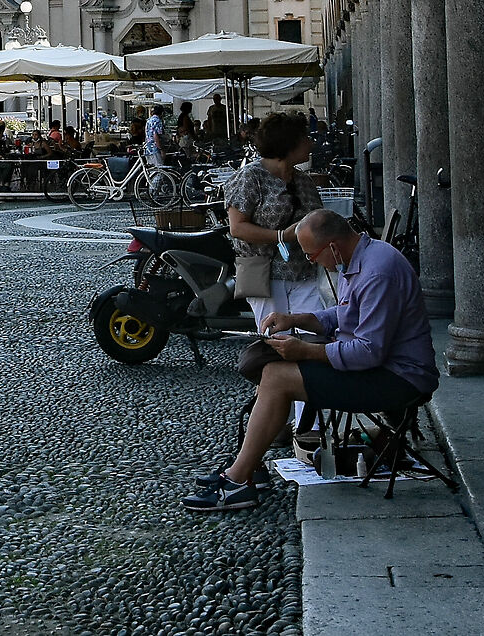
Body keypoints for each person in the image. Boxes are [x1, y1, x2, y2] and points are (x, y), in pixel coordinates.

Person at [183, 208, 438, 512]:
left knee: (277, 378)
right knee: (272, 369)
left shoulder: (377, 272)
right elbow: (345, 316)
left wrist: (305, 351)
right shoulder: (362, 258)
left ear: (332, 246)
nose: (310, 261)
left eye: (311, 254)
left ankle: (239, 480)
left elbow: (369, 351)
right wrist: (296, 319)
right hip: (381, 369)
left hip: (398, 380)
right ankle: (247, 470)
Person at [223, 112, 327, 331]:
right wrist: (281, 236)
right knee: (276, 337)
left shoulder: (303, 181)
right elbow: (237, 227)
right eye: (306, 137)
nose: (311, 143)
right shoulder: (250, 177)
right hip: (265, 273)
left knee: (314, 333)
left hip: (305, 271)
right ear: (289, 144)